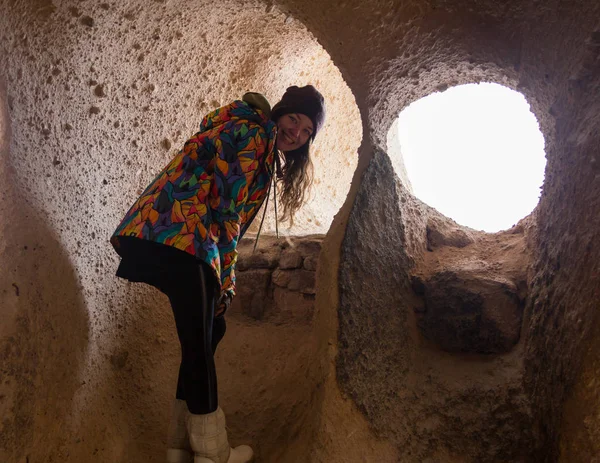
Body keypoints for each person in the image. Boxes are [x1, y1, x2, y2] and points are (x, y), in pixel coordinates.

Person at [110, 85, 325, 463]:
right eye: (294, 119)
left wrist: (222, 277)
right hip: (180, 234)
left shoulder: (252, 134)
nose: (297, 132)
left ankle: (180, 445)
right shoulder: (257, 133)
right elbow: (227, 209)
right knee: (200, 339)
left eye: (308, 130)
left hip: (173, 235)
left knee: (209, 331)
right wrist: (227, 278)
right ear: (279, 113)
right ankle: (212, 450)